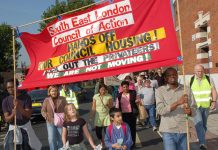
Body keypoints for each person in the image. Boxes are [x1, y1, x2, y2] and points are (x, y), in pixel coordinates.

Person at [156, 67, 194, 150]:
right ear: (165, 78)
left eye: (174, 74)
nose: (172, 76)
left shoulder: (186, 89)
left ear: (177, 76)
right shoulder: (160, 91)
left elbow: (194, 107)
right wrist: (178, 102)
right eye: (169, 75)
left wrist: (190, 111)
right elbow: (160, 110)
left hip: (184, 129)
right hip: (168, 130)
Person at [2, 78, 42, 150]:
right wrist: (12, 114)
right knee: (12, 147)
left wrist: (19, 107)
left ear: (17, 86)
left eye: (12, 86)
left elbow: (28, 115)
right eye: (8, 87)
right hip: (13, 128)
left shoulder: (26, 97)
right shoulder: (5, 101)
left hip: (25, 127)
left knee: (27, 147)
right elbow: (7, 119)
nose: (10, 89)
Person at [190, 64, 217, 149]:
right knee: (199, 123)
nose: (200, 73)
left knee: (204, 125)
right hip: (195, 106)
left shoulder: (208, 79)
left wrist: (214, 101)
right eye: (198, 71)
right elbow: (187, 92)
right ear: (194, 71)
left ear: (203, 71)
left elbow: (213, 90)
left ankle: (201, 136)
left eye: (201, 71)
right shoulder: (191, 80)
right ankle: (202, 143)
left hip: (206, 105)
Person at [41, 85, 67, 150]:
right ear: (49, 92)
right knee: (51, 139)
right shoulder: (46, 100)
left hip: (61, 122)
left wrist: (67, 117)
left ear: (57, 91)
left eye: (55, 91)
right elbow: (43, 111)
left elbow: (66, 108)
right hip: (50, 122)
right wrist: (46, 116)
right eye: (52, 91)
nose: (54, 92)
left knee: (61, 138)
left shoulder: (62, 99)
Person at [116, 81, 139, 149]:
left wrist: (137, 101)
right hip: (123, 115)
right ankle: (126, 143)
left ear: (128, 87)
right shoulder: (119, 95)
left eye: (126, 87)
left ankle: (132, 143)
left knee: (132, 129)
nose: (125, 88)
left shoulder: (133, 93)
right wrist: (117, 115)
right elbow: (117, 105)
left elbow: (138, 99)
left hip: (132, 114)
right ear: (121, 87)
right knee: (124, 130)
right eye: (124, 87)